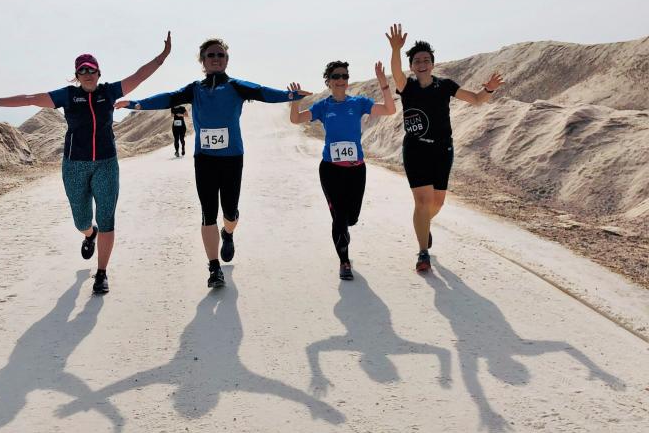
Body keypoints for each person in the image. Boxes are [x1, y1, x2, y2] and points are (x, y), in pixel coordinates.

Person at [0, 32, 172, 293]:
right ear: (77, 75)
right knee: (81, 221)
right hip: (74, 165)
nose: (87, 74)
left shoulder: (109, 92)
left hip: (106, 163)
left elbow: (139, 75)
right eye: (82, 70)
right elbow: (30, 98)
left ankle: (101, 273)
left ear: (98, 73)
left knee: (107, 218)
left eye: (91, 69)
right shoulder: (67, 96)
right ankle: (90, 234)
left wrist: (162, 57)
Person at [116, 38, 310, 289]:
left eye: (220, 55)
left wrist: (289, 95)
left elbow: (263, 92)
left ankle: (228, 232)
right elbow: (168, 98)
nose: (216, 58)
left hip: (232, 159)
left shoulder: (237, 86)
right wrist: (136, 104)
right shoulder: (195, 89)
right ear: (203, 61)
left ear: (227, 60)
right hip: (204, 160)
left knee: (230, 212)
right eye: (210, 55)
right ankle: (214, 267)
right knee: (208, 213)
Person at [386, 24, 504, 272]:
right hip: (415, 149)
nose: (422, 64)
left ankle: (423, 225)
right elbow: (395, 71)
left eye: (426, 60)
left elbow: (476, 99)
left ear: (432, 63)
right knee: (422, 201)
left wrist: (489, 89)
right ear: (412, 66)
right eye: (417, 61)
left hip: (442, 150)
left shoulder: (445, 85)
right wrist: (396, 49)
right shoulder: (407, 87)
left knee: (437, 203)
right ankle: (423, 253)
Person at [289, 60, 396, 280]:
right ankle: (344, 261)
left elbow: (389, 109)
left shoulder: (358, 103)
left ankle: (344, 231)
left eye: (344, 76)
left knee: (351, 218)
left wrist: (384, 83)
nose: (341, 80)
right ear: (328, 81)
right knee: (339, 216)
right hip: (331, 170)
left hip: (356, 170)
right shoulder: (323, 106)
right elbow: (296, 119)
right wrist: (295, 101)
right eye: (336, 76)